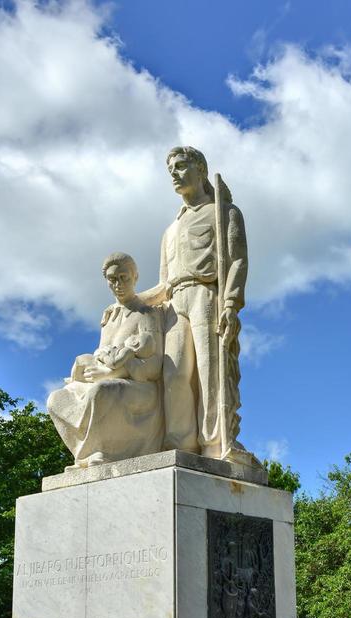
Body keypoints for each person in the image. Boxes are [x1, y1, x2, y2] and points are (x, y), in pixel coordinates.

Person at [139, 146, 248, 460]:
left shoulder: (224, 212)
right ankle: (180, 441)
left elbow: (237, 261)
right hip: (174, 302)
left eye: (182, 165)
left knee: (209, 370)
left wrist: (230, 304)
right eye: (170, 169)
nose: (174, 173)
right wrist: (130, 302)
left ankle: (214, 442)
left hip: (206, 292)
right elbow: (162, 283)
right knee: (174, 374)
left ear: (201, 169)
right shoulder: (169, 231)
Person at [48, 253, 164, 467]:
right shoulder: (109, 316)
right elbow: (102, 354)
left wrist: (112, 373)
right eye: (112, 279)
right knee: (56, 399)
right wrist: (84, 363)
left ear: (135, 278)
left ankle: (99, 451)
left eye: (124, 277)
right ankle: (87, 454)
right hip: (101, 380)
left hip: (139, 387)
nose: (118, 284)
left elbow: (155, 367)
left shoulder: (146, 313)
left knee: (101, 392)